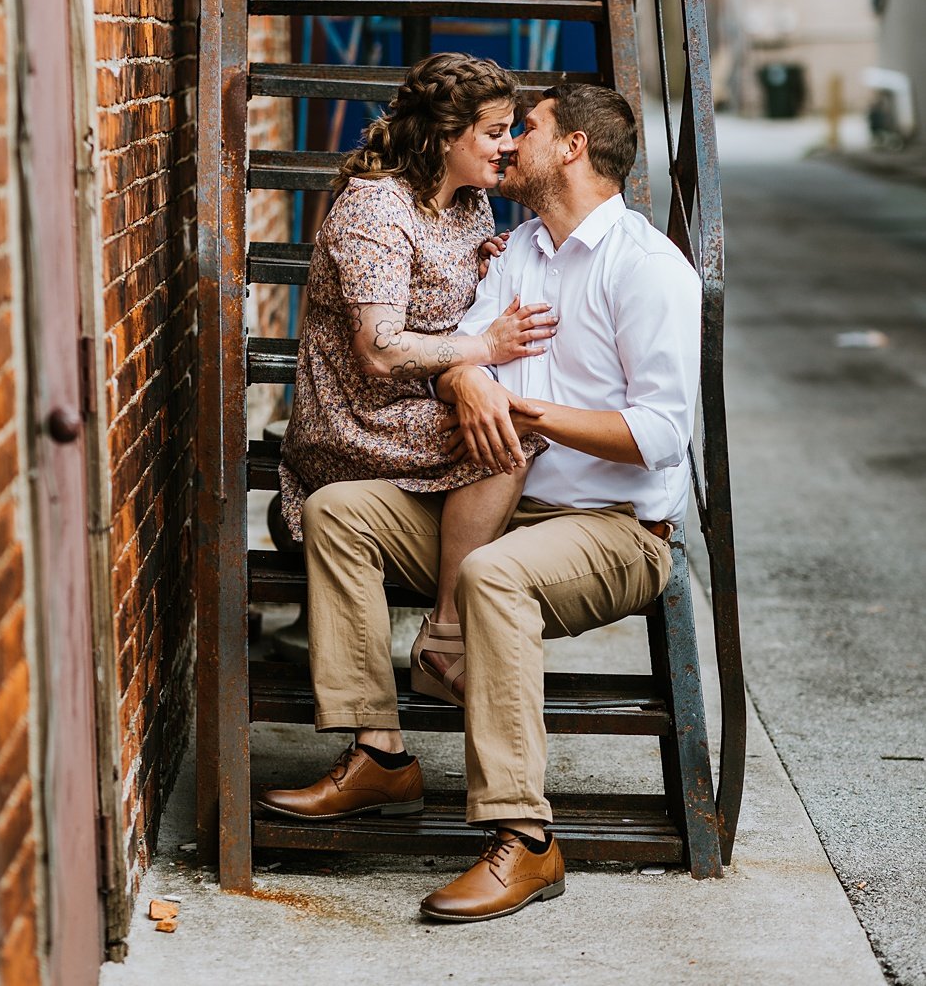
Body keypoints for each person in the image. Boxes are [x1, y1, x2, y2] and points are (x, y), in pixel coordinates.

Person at [258, 82, 702, 924]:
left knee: (494, 575)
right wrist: (468, 375)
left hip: (611, 531)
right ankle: (379, 751)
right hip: (496, 505)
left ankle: (524, 839)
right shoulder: (522, 249)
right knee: (339, 511)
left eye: (523, 129)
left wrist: (523, 411)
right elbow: (469, 352)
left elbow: (661, 435)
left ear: (571, 147)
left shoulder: (647, 270)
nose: (508, 145)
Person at [277, 52, 558, 704]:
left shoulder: (470, 207)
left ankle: (458, 619)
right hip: (352, 416)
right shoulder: (376, 211)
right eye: (493, 132)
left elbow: (449, 301)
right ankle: (449, 636)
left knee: (512, 422)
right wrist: (483, 346)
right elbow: (378, 350)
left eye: (512, 130)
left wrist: (490, 269)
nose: (508, 147)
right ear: (442, 137)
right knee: (515, 431)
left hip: (415, 409)